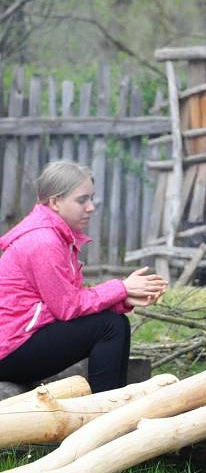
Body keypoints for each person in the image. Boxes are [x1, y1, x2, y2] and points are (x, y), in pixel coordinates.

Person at [0, 161, 168, 393]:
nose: (90, 207)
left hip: (19, 341)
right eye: (82, 200)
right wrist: (121, 288)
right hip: (9, 349)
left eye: (91, 198)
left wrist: (123, 299)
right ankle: (104, 410)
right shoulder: (43, 241)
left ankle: (113, 404)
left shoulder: (55, 235)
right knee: (109, 327)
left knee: (116, 323)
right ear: (55, 202)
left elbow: (70, 302)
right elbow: (67, 307)